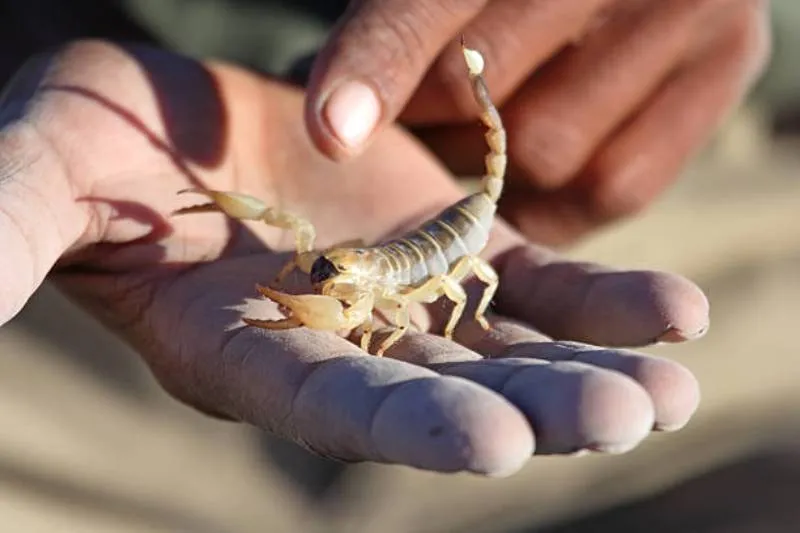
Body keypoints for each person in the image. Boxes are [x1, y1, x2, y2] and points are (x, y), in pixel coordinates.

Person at [0, 0, 768, 477]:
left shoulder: (373, 286)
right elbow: (301, 233)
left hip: (695, 192)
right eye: (329, 272)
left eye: (330, 273)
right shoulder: (332, 259)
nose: (322, 275)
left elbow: (431, 296)